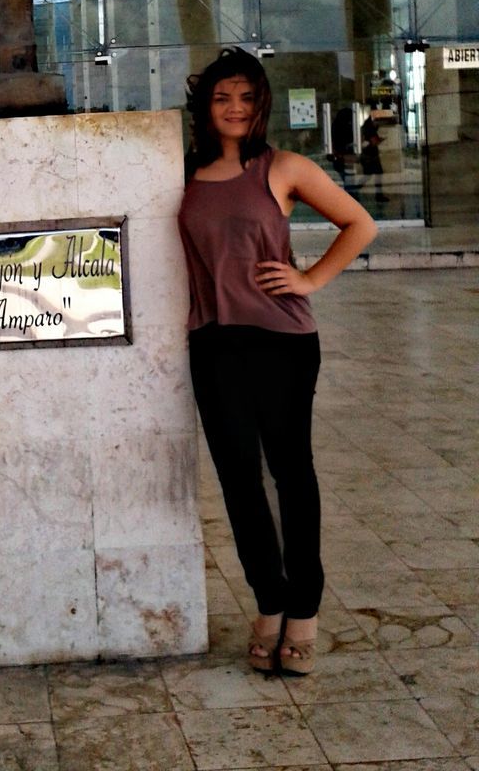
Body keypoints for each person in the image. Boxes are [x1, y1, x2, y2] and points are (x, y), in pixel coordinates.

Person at [177, 48, 377, 676]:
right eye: (221, 97)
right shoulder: (182, 173)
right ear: (205, 107)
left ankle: (305, 612)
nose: (234, 108)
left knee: (292, 474)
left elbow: (360, 224)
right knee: (238, 481)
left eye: (245, 97)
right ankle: (268, 604)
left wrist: (310, 278)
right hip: (213, 342)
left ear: (261, 105)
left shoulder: (283, 168)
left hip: (281, 341)